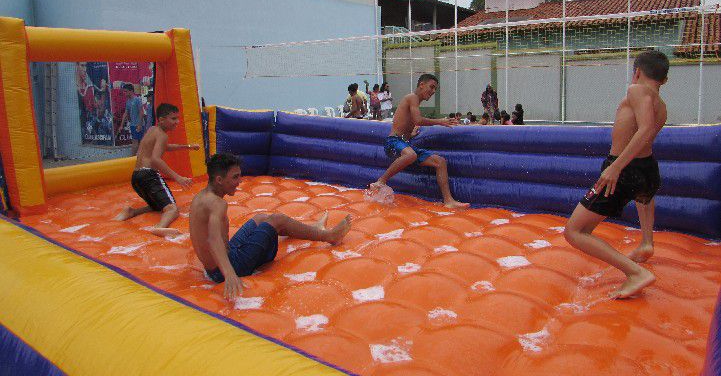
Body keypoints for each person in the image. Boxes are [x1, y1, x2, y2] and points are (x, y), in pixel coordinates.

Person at [564, 50, 669, 299]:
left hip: (624, 168)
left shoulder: (636, 90)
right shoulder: (661, 105)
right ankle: (646, 243)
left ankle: (635, 273)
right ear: (664, 79)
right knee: (643, 197)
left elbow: (643, 131)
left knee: (574, 232)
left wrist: (615, 167)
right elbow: (647, 136)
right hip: (647, 168)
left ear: (638, 72)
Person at [190, 153, 352, 300]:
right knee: (278, 220)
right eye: (235, 177)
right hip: (227, 268)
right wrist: (230, 274)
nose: (240, 182)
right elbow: (213, 239)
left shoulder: (201, 197)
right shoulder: (217, 204)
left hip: (215, 267)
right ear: (219, 180)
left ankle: (314, 229)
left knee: (261, 218)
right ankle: (328, 236)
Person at [369, 74, 469, 209]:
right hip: (393, 142)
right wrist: (440, 121)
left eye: (435, 89)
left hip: (404, 145)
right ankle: (381, 181)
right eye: (431, 87)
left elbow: (405, 126)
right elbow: (418, 120)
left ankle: (449, 201)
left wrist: (411, 133)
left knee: (440, 162)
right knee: (411, 155)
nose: (433, 91)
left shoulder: (415, 102)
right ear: (421, 84)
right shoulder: (412, 98)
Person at [115, 103, 201, 237]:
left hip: (137, 177)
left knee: (157, 206)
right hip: (149, 175)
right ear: (161, 119)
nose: (177, 122)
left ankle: (131, 211)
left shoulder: (152, 130)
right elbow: (156, 159)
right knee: (172, 209)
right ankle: (159, 228)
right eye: (173, 119)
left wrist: (188, 146)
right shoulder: (162, 135)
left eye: (178, 118)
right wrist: (178, 177)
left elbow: (166, 147)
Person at [117, 83, 145, 155]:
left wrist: (139, 124)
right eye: (124, 91)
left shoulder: (137, 99)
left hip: (138, 124)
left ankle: (135, 158)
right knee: (135, 141)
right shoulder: (128, 101)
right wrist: (121, 125)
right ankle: (135, 158)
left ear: (131, 91)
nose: (124, 93)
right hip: (133, 125)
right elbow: (126, 113)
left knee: (140, 141)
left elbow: (141, 112)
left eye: (125, 91)